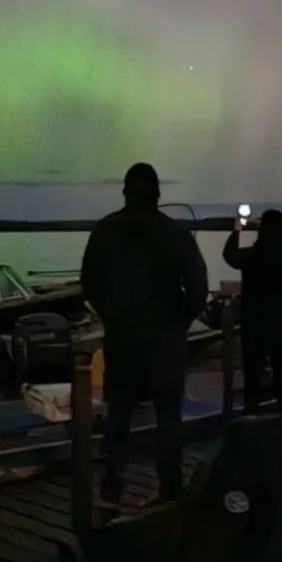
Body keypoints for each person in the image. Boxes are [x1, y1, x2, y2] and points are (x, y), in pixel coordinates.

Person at [81, 162, 209, 505]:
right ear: (157, 194)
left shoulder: (104, 230)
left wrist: (110, 315)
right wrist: (180, 324)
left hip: (122, 338)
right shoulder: (175, 233)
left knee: (118, 414)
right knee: (168, 417)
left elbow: (88, 284)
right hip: (164, 342)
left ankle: (112, 482)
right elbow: (198, 287)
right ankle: (169, 486)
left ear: (125, 191)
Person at [222, 209, 282, 413]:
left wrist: (237, 229)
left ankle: (251, 419)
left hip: (254, 323)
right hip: (281, 321)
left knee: (253, 378)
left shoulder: (251, 256)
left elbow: (229, 255)